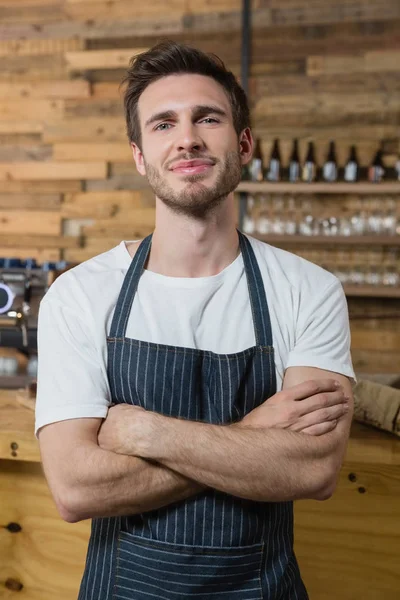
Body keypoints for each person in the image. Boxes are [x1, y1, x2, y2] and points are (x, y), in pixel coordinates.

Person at [36, 41, 355, 600]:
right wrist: (255, 435)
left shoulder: (309, 290)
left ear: (245, 143)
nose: (187, 137)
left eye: (208, 118)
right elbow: (77, 489)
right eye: (163, 123)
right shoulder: (81, 295)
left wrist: (146, 431)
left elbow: (311, 471)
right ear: (140, 155)